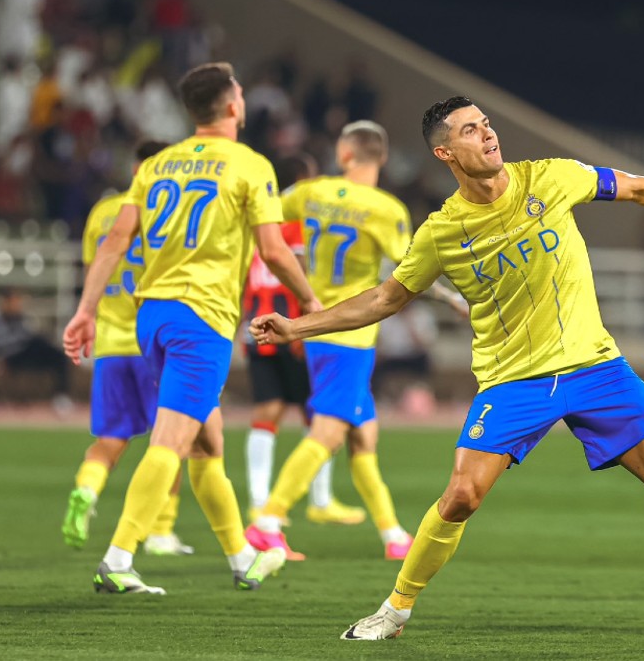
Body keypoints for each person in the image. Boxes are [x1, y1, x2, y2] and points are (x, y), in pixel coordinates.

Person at [250, 96, 644, 646]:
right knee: (461, 496)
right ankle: (392, 612)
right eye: (470, 130)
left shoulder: (550, 177)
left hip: (596, 367)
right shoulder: (441, 231)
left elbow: (638, 187)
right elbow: (385, 298)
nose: (488, 134)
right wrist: (297, 327)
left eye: (486, 123)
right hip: (515, 380)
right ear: (445, 152)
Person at [63, 61, 321, 595]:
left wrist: (86, 309)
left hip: (152, 316)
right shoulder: (250, 165)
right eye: (240, 91)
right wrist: (311, 301)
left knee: (207, 444)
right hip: (200, 320)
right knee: (171, 441)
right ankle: (118, 557)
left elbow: (115, 241)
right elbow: (274, 250)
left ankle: (243, 558)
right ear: (231, 105)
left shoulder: (158, 164)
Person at [246, 121, 421, 561]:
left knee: (363, 437)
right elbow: (413, 268)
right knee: (327, 434)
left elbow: (265, 212)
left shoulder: (312, 192)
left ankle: (393, 535)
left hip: (319, 327)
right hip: (352, 333)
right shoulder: (386, 209)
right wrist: (459, 299)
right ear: (382, 158)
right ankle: (268, 520)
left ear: (344, 155)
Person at [62, 139, 195, 557]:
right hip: (155, 342)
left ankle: (86, 490)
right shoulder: (171, 208)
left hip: (110, 344)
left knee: (110, 439)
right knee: (170, 441)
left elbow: (95, 268)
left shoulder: (103, 212)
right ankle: (161, 529)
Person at [243, 151, 365, 537]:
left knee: (267, 412)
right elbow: (301, 268)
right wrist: (308, 317)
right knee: (321, 417)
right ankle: (320, 499)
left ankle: (259, 499)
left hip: (257, 323)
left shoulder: (258, 225)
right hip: (294, 328)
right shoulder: (300, 225)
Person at [0, 287, 72, 412]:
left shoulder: (24, 319)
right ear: (4, 302)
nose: (16, 305)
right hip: (9, 357)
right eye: (13, 301)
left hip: (28, 353)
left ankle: (61, 397)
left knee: (57, 355)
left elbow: (30, 337)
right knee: (38, 341)